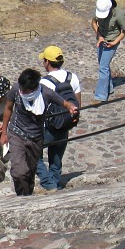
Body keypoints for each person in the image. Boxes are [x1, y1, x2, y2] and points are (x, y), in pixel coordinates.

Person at [0, 68, 78, 196]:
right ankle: (22, 196)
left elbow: (63, 102)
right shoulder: (15, 89)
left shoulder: (46, 93)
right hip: (17, 134)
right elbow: (8, 108)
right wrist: (4, 132)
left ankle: (28, 194)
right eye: (22, 88)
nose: (22, 91)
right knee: (19, 171)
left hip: (36, 138)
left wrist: (71, 107)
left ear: (35, 88)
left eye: (25, 90)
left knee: (30, 172)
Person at [35, 46, 82, 191]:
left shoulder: (44, 83)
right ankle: (56, 182)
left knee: (31, 153)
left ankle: (48, 183)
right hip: (66, 123)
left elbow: (39, 109)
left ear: (47, 62)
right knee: (56, 156)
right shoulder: (72, 77)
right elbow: (78, 102)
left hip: (49, 126)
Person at [91, 0, 125, 103]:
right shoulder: (99, 10)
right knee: (103, 65)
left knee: (103, 68)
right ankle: (108, 88)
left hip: (112, 42)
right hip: (101, 40)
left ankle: (100, 96)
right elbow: (93, 22)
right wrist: (100, 36)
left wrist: (114, 42)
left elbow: (124, 30)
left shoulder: (119, 14)